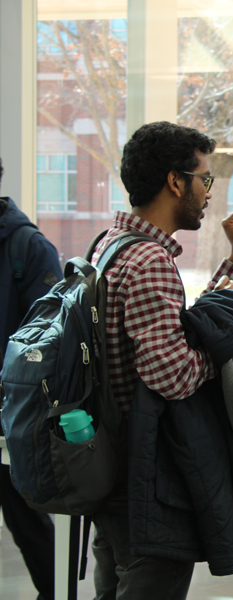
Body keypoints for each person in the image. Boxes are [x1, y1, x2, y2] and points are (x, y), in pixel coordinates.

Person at [88, 121, 233, 599]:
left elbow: (173, 330)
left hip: (114, 467)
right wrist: (224, 352)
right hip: (146, 479)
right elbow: (173, 374)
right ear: (174, 181)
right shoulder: (150, 262)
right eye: (205, 178)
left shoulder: (110, 247)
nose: (208, 192)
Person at [0, 157, 60, 600]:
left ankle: (53, 591)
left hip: (8, 413)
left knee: (26, 515)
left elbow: (46, 338)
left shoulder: (27, 247)